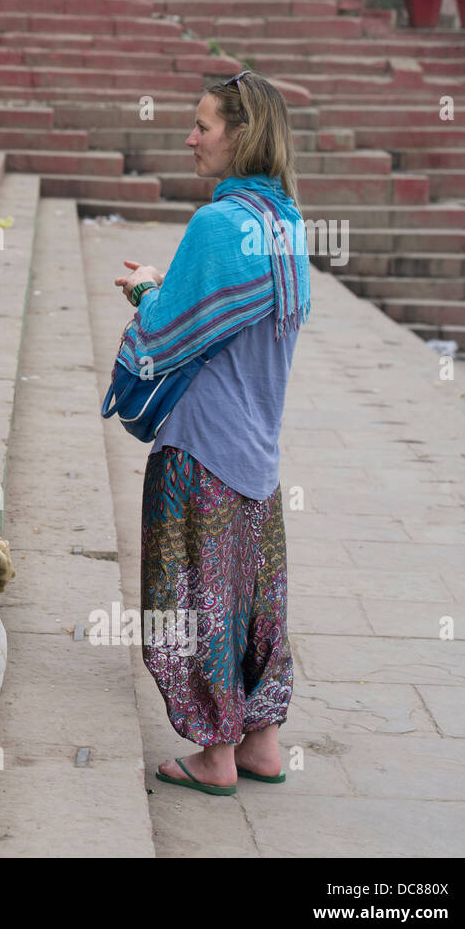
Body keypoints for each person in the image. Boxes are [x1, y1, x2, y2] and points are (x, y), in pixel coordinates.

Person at [113, 71, 310, 796]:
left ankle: (214, 755)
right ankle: (262, 741)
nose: (191, 138)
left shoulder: (217, 226)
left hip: (201, 446)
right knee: (254, 598)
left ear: (241, 134)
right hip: (259, 453)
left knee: (193, 599)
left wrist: (146, 291)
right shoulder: (288, 222)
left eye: (203, 126)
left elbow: (165, 333)